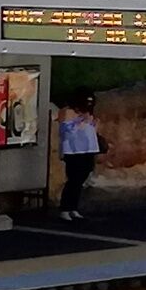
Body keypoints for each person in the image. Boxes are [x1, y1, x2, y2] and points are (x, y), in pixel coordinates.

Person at [58, 92, 103, 221]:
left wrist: (93, 123)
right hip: (73, 150)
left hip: (88, 149)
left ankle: (73, 207)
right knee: (73, 179)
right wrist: (79, 120)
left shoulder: (89, 113)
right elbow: (64, 130)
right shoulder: (67, 112)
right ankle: (64, 208)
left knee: (81, 179)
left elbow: (92, 130)